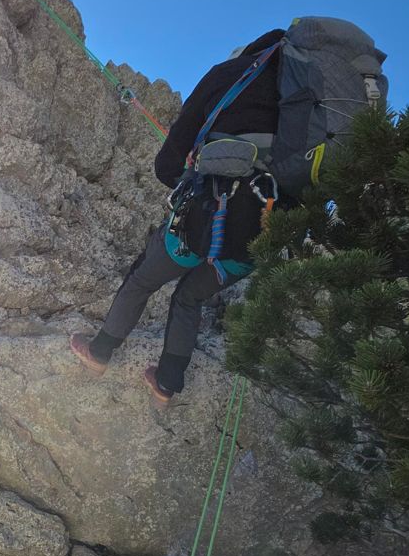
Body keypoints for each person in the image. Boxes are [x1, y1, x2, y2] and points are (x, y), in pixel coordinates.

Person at [70, 28, 294, 405]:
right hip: (258, 239)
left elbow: (166, 166)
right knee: (190, 297)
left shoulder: (229, 76)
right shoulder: (307, 108)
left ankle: (100, 351)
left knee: (143, 279)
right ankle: (167, 382)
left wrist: (191, 171)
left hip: (202, 223)